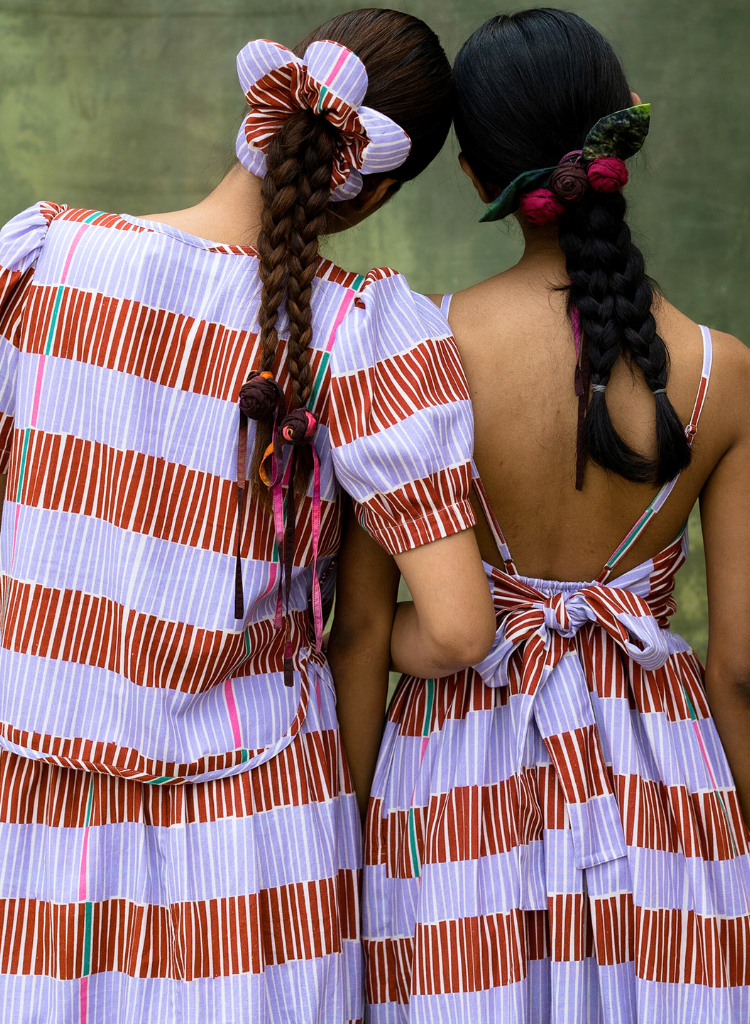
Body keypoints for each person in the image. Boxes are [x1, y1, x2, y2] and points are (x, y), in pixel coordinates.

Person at [0, 10, 496, 1023]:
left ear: (259, 116)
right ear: (374, 188)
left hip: (31, 816)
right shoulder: (359, 333)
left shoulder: (41, 260)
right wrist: (340, 639)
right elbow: (456, 629)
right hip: (254, 838)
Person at [330, 9, 750, 1021]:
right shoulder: (722, 373)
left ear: (474, 175)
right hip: (660, 784)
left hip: (455, 787)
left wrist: (346, 843)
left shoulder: (413, 351)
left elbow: (364, 631)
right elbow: (739, 666)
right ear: (621, 141)